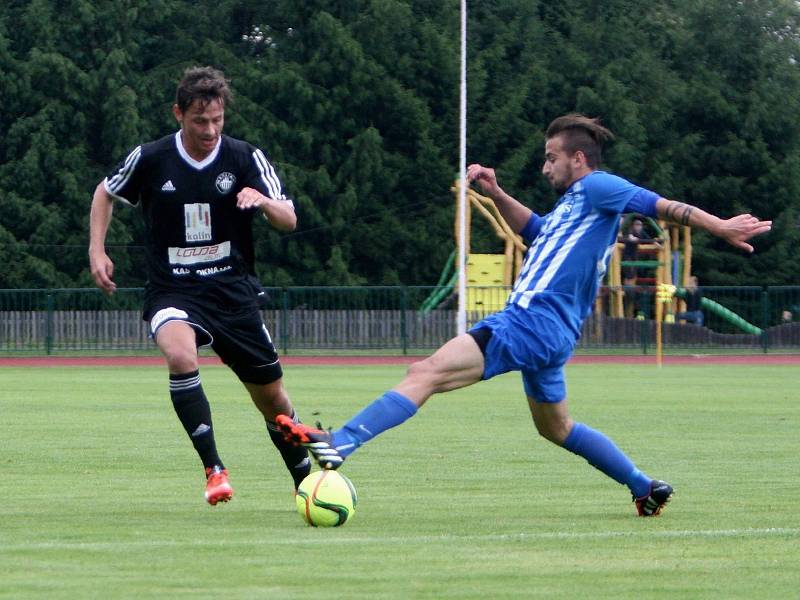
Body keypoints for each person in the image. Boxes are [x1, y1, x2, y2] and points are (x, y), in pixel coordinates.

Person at [277, 114, 771, 517]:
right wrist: (494, 191)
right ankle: (643, 486)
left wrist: (721, 226)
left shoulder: (600, 187)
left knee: (424, 372)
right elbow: (535, 230)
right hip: (551, 333)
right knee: (556, 428)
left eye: (551, 158)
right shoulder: (572, 207)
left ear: (579, 158)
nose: (545, 167)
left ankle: (341, 442)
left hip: (530, 321)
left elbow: (663, 206)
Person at [89, 66, 310, 505]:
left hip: (233, 292)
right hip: (173, 289)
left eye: (217, 120)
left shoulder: (246, 157)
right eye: (199, 121)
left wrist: (264, 201)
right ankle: (214, 468)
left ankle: (307, 480)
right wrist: (97, 250)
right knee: (178, 353)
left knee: (273, 401)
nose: (210, 130)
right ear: (179, 114)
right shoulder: (151, 158)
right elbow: (105, 192)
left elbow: (289, 219)